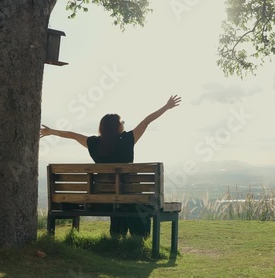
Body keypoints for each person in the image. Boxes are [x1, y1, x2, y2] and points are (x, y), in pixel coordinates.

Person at [40, 95, 181, 238]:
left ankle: (117, 234)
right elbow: (146, 121)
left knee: (117, 198)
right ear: (118, 127)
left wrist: (51, 131)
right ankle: (138, 237)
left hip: (103, 197)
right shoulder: (127, 140)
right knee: (128, 200)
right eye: (122, 122)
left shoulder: (94, 144)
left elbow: (74, 135)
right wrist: (166, 107)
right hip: (128, 195)